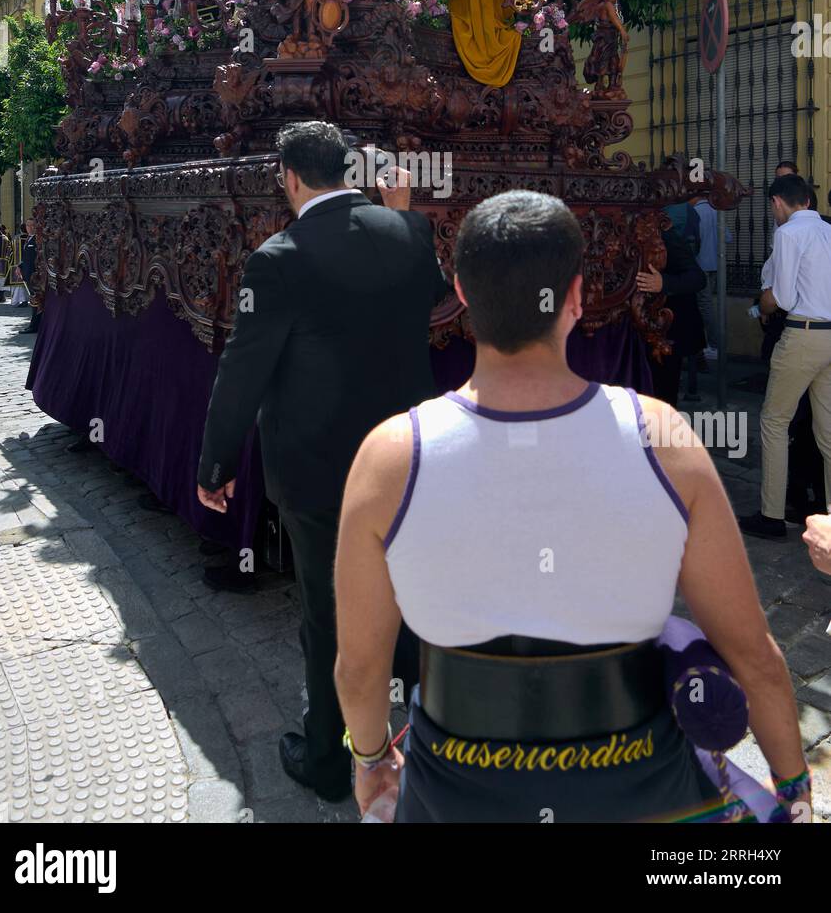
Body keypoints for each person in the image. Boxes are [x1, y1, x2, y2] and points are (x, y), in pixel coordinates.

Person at [334, 191, 807, 823]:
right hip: (644, 791)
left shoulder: (390, 457)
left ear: (462, 294)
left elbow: (360, 668)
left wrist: (371, 763)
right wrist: (792, 787)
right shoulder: (662, 439)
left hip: (455, 794)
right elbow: (754, 654)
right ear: (577, 297)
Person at [196, 120, 448, 801]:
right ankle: (434, 745)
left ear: (292, 178)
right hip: (407, 461)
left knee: (329, 616)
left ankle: (331, 759)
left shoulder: (278, 257)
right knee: (410, 601)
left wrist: (215, 464)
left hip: (320, 470)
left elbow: (243, 371)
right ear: (348, 170)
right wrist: (402, 221)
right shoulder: (410, 231)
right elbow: (437, 301)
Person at [739, 174, 831, 539]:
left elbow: (784, 298)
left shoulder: (789, 233)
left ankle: (772, 516)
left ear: (778, 202)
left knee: (775, 423)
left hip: (803, 335)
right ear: (808, 200)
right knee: (828, 432)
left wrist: (764, 301)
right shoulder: (827, 230)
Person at [636, 223, 706, 408]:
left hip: (669, 331)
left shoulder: (663, 233)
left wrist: (664, 283)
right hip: (639, 332)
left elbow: (698, 278)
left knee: (663, 396)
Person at [689, 196, 721, 359]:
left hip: (701, 266)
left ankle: (714, 345)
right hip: (715, 264)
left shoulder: (694, 213)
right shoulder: (716, 211)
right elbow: (727, 238)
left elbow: (693, 241)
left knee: (705, 306)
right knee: (710, 305)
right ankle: (712, 345)